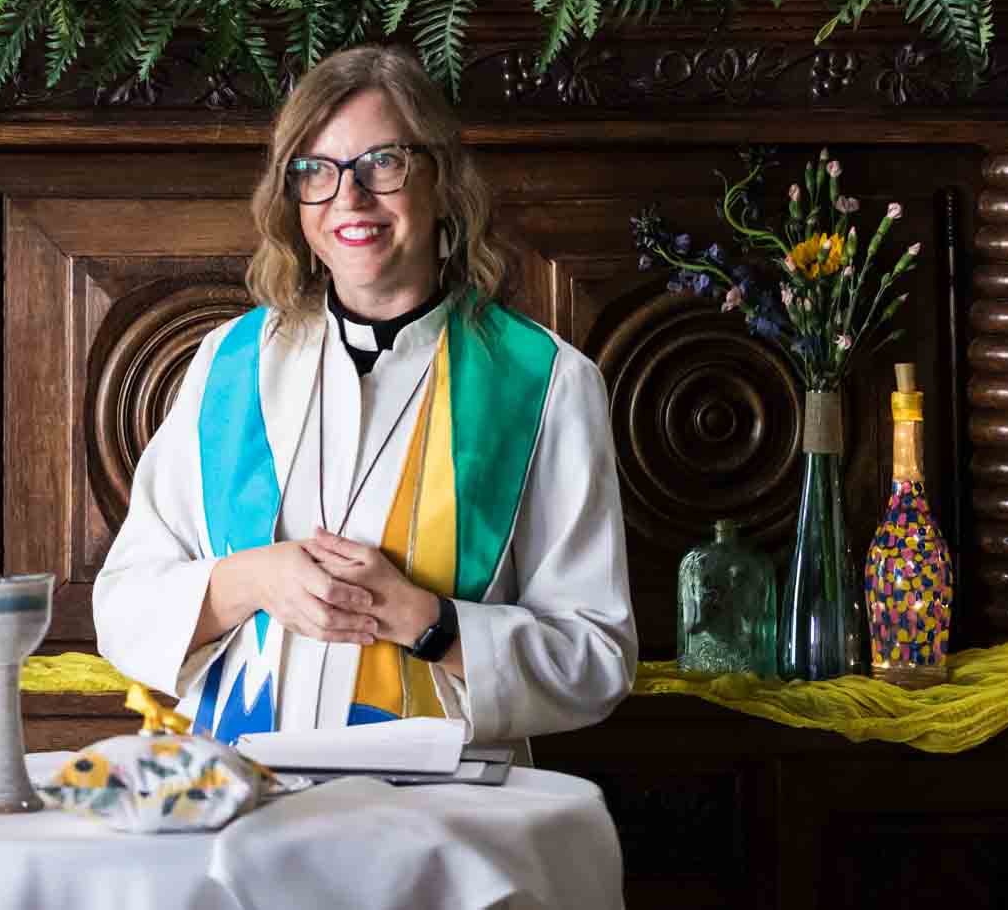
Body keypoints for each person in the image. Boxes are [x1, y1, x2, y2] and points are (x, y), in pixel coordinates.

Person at [94, 45, 635, 747]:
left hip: (439, 817)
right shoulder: (228, 364)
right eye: (316, 170)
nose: (349, 197)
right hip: (241, 800)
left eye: (382, 162)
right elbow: (122, 607)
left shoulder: (544, 381)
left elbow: (596, 658)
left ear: (441, 182)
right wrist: (251, 580)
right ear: (294, 199)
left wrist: (427, 621)